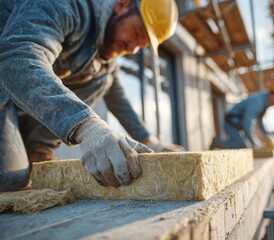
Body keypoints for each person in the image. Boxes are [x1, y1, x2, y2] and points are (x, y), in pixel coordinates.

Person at [0, 0, 179, 192]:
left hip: (20, 95)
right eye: (136, 33)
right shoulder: (68, 5)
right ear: (123, 5)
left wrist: (146, 140)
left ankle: (39, 149)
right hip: (6, 73)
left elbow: (117, 98)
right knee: (12, 180)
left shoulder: (104, 58)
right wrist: (86, 126)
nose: (132, 48)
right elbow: (18, 57)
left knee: (103, 80)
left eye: (141, 46)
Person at [210, 85, 274, 150]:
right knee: (242, 146)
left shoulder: (263, 103)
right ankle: (217, 143)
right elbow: (247, 123)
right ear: (273, 95)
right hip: (231, 123)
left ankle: (219, 143)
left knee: (247, 145)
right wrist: (255, 142)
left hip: (238, 124)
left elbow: (259, 122)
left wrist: (267, 134)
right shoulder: (258, 102)